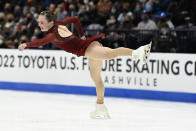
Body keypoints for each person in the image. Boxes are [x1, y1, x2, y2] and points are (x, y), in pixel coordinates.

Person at [18, 10, 151, 119]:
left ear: (50, 22)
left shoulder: (52, 35)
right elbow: (75, 19)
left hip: (89, 50)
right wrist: (81, 35)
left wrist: (26, 44)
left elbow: (41, 42)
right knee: (96, 78)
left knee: (110, 54)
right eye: (39, 22)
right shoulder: (59, 23)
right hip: (89, 47)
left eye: (42, 22)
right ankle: (100, 108)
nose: (39, 25)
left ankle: (139, 53)